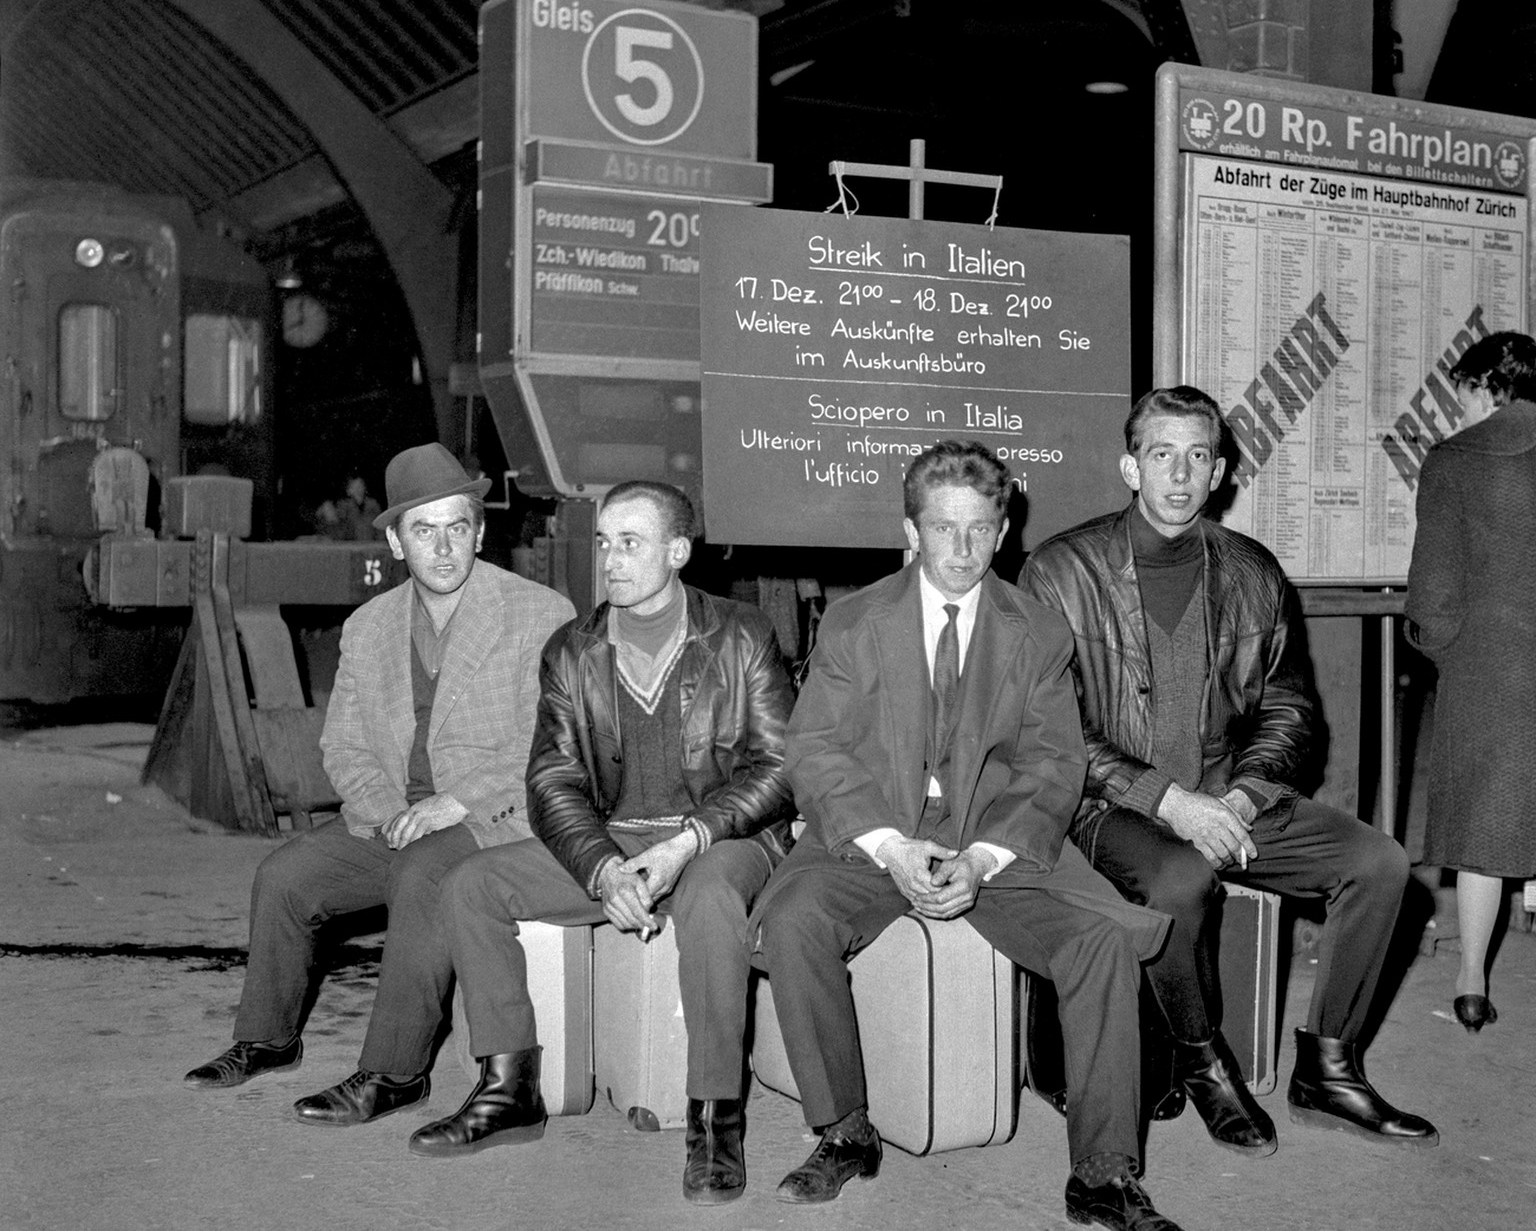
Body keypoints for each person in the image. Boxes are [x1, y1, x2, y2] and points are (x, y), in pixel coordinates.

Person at [755, 440, 1182, 1231]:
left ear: (1005, 526)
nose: (960, 550)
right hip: (876, 832)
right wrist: (891, 846)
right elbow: (816, 750)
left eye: (979, 528)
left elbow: (1053, 764)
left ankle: (1103, 1172)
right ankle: (844, 1130)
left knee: (1098, 939)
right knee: (793, 918)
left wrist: (983, 860)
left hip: (992, 838)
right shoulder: (855, 621)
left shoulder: (1038, 630)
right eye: (941, 529)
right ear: (910, 531)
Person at [1023, 386, 1438, 1154]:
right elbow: (1048, 729)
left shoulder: (1251, 570)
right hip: (1104, 803)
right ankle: (1204, 1059)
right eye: (1161, 455)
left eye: (1197, 456)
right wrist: (1168, 801)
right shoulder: (1060, 570)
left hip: (1227, 793)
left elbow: (1290, 710)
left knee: (1379, 864)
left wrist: (1244, 796)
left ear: (1219, 472)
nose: (1179, 475)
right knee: (1181, 880)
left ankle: (1329, 1066)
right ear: (1129, 465)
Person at [409, 482, 796, 1208]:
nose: (610, 560)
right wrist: (602, 867)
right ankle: (509, 1089)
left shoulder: (742, 634)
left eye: (631, 542)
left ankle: (715, 1121)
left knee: (711, 899)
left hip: (722, 834)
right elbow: (551, 781)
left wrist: (688, 842)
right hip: (618, 836)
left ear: (678, 552)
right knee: (471, 884)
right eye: (603, 543)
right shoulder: (574, 649)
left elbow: (780, 768)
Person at [184, 442, 574, 1129]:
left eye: (459, 526)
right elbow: (343, 743)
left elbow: (548, 742)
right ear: (395, 540)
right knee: (286, 876)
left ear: (480, 530)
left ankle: (393, 1072)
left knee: (424, 873)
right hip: (401, 813)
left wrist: (453, 804)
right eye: (424, 530)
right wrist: (391, 811)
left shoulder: (537, 613)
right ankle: (268, 1038)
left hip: (498, 813)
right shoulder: (369, 628)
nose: (445, 547)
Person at [1406, 331, 1536, 1034]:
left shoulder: (1454, 460)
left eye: (1462, 393)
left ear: (1486, 387)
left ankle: (1471, 981)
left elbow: (1433, 590)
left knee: (1486, 827)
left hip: (1490, 666)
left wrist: (1433, 642)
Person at [316, 472, 384, 541]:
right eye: (354, 487)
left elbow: (380, 528)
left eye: (360, 486)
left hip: (371, 546)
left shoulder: (373, 505)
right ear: (348, 491)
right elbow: (338, 528)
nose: (358, 489)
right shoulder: (343, 507)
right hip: (351, 546)